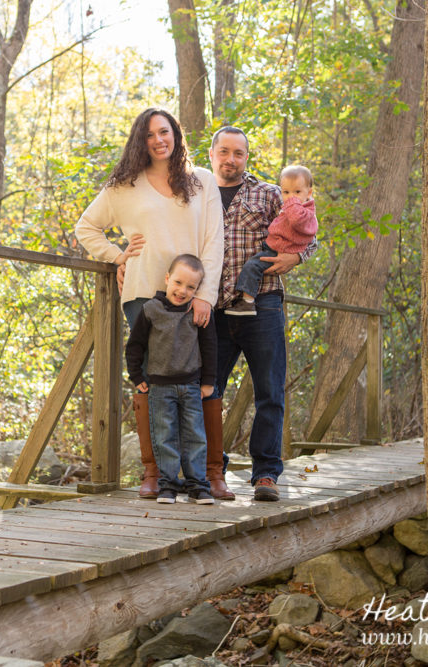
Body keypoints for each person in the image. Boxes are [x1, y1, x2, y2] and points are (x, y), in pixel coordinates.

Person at [75, 108, 224, 499]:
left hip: (190, 296)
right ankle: (154, 473)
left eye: (165, 131)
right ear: (140, 141)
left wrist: (205, 295)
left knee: (197, 381)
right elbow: (85, 227)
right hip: (143, 292)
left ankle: (206, 475)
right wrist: (117, 255)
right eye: (150, 135)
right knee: (148, 382)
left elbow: (213, 241)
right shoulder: (123, 186)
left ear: (176, 133)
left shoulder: (202, 181)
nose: (159, 140)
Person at [206, 126, 318, 501]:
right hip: (215, 308)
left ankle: (265, 474)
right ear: (212, 153)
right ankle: (211, 468)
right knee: (208, 390)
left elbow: (309, 234)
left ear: (246, 158)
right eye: (224, 151)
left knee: (269, 392)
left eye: (238, 153)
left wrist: (296, 256)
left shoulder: (270, 193)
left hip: (263, 305)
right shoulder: (197, 195)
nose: (231, 159)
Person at [125, 254, 217, 504]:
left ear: (197, 289)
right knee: (164, 436)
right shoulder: (151, 310)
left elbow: (209, 346)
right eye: (178, 283)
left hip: (191, 386)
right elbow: (135, 346)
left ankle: (198, 485)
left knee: (195, 435)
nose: (182, 290)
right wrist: (136, 376)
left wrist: (208, 381)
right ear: (167, 278)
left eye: (191, 287)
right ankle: (168, 485)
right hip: (160, 387)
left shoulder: (197, 311)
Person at [225, 165, 317, 317]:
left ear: (309, 193)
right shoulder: (294, 207)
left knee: (252, 266)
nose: (290, 197)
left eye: (297, 192)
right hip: (272, 245)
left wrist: (295, 257)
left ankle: (247, 302)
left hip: (276, 252)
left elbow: (306, 232)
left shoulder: (302, 212)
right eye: (286, 192)